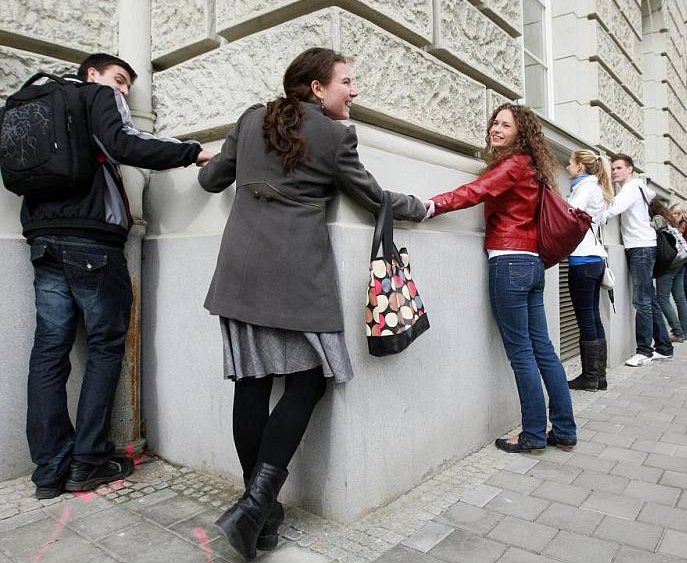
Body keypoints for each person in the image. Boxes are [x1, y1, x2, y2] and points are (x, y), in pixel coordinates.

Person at [198, 48, 426, 560]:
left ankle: (260, 512)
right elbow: (375, 198)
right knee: (311, 379)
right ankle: (258, 504)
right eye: (347, 80)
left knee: (253, 382)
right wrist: (426, 205)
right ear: (317, 88)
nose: (355, 90)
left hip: (238, 268)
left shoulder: (251, 119)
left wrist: (211, 160)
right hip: (296, 273)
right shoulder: (335, 135)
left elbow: (211, 180)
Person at [20, 53, 213, 500]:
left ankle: (49, 470)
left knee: (49, 351)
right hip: (91, 243)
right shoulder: (95, 95)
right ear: (93, 74)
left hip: (43, 239)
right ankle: (87, 462)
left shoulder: (38, 104)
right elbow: (124, 145)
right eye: (120, 79)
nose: (123, 91)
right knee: (106, 349)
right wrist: (191, 151)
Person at [423, 103, 577, 455]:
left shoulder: (512, 165)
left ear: (520, 133)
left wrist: (430, 205)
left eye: (505, 125)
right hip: (533, 263)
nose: (496, 128)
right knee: (544, 350)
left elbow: (475, 191)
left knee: (522, 353)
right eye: (494, 122)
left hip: (509, 263)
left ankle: (534, 435)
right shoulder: (533, 168)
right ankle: (564, 430)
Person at [599, 155, 672, 367]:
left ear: (630, 169)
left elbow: (612, 210)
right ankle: (664, 347)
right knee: (650, 299)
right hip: (644, 245)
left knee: (641, 301)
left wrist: (595, 210)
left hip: (640, 247)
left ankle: (644, 351)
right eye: (612, 169)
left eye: (619, 168)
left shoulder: (630, 188)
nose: (614, 172)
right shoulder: (637, 188)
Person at [563, 149, 613, 391]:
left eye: (570, 163)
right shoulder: (597, 187)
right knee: (593, 315)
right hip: (595, 259)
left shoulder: (585, 188)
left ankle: (590, 377)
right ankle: (599, 376)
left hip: (582, 260)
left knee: (586, 317)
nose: (567, 167)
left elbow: (570, 214)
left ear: (580, 166)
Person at [651, 200, 687, 342]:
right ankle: (684, 332)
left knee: (662, 298)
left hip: (669, 262)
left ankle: (677, 332)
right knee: (680, 297)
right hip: (682, 259)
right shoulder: (670, 220)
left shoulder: (658, 220)